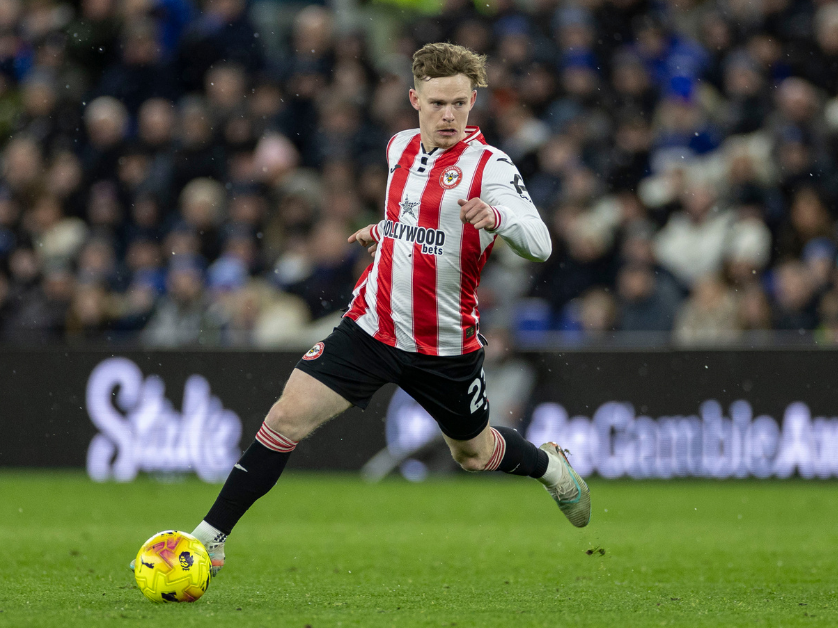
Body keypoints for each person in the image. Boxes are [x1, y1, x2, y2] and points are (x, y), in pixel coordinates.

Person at [132, 42, 590, 578]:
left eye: (460, 104)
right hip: (370, 327)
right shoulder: (398, 147)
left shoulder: (489, 167)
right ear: (415, 99)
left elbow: (541, 243)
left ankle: (551, 468)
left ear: (472, 104)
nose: (449, 115)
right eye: (439, 103)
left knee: (473, 453)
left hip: (443, 344)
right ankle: (209, 539)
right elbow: (417, 218)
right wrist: (386, 232)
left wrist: (498, 218)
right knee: (284, 417)